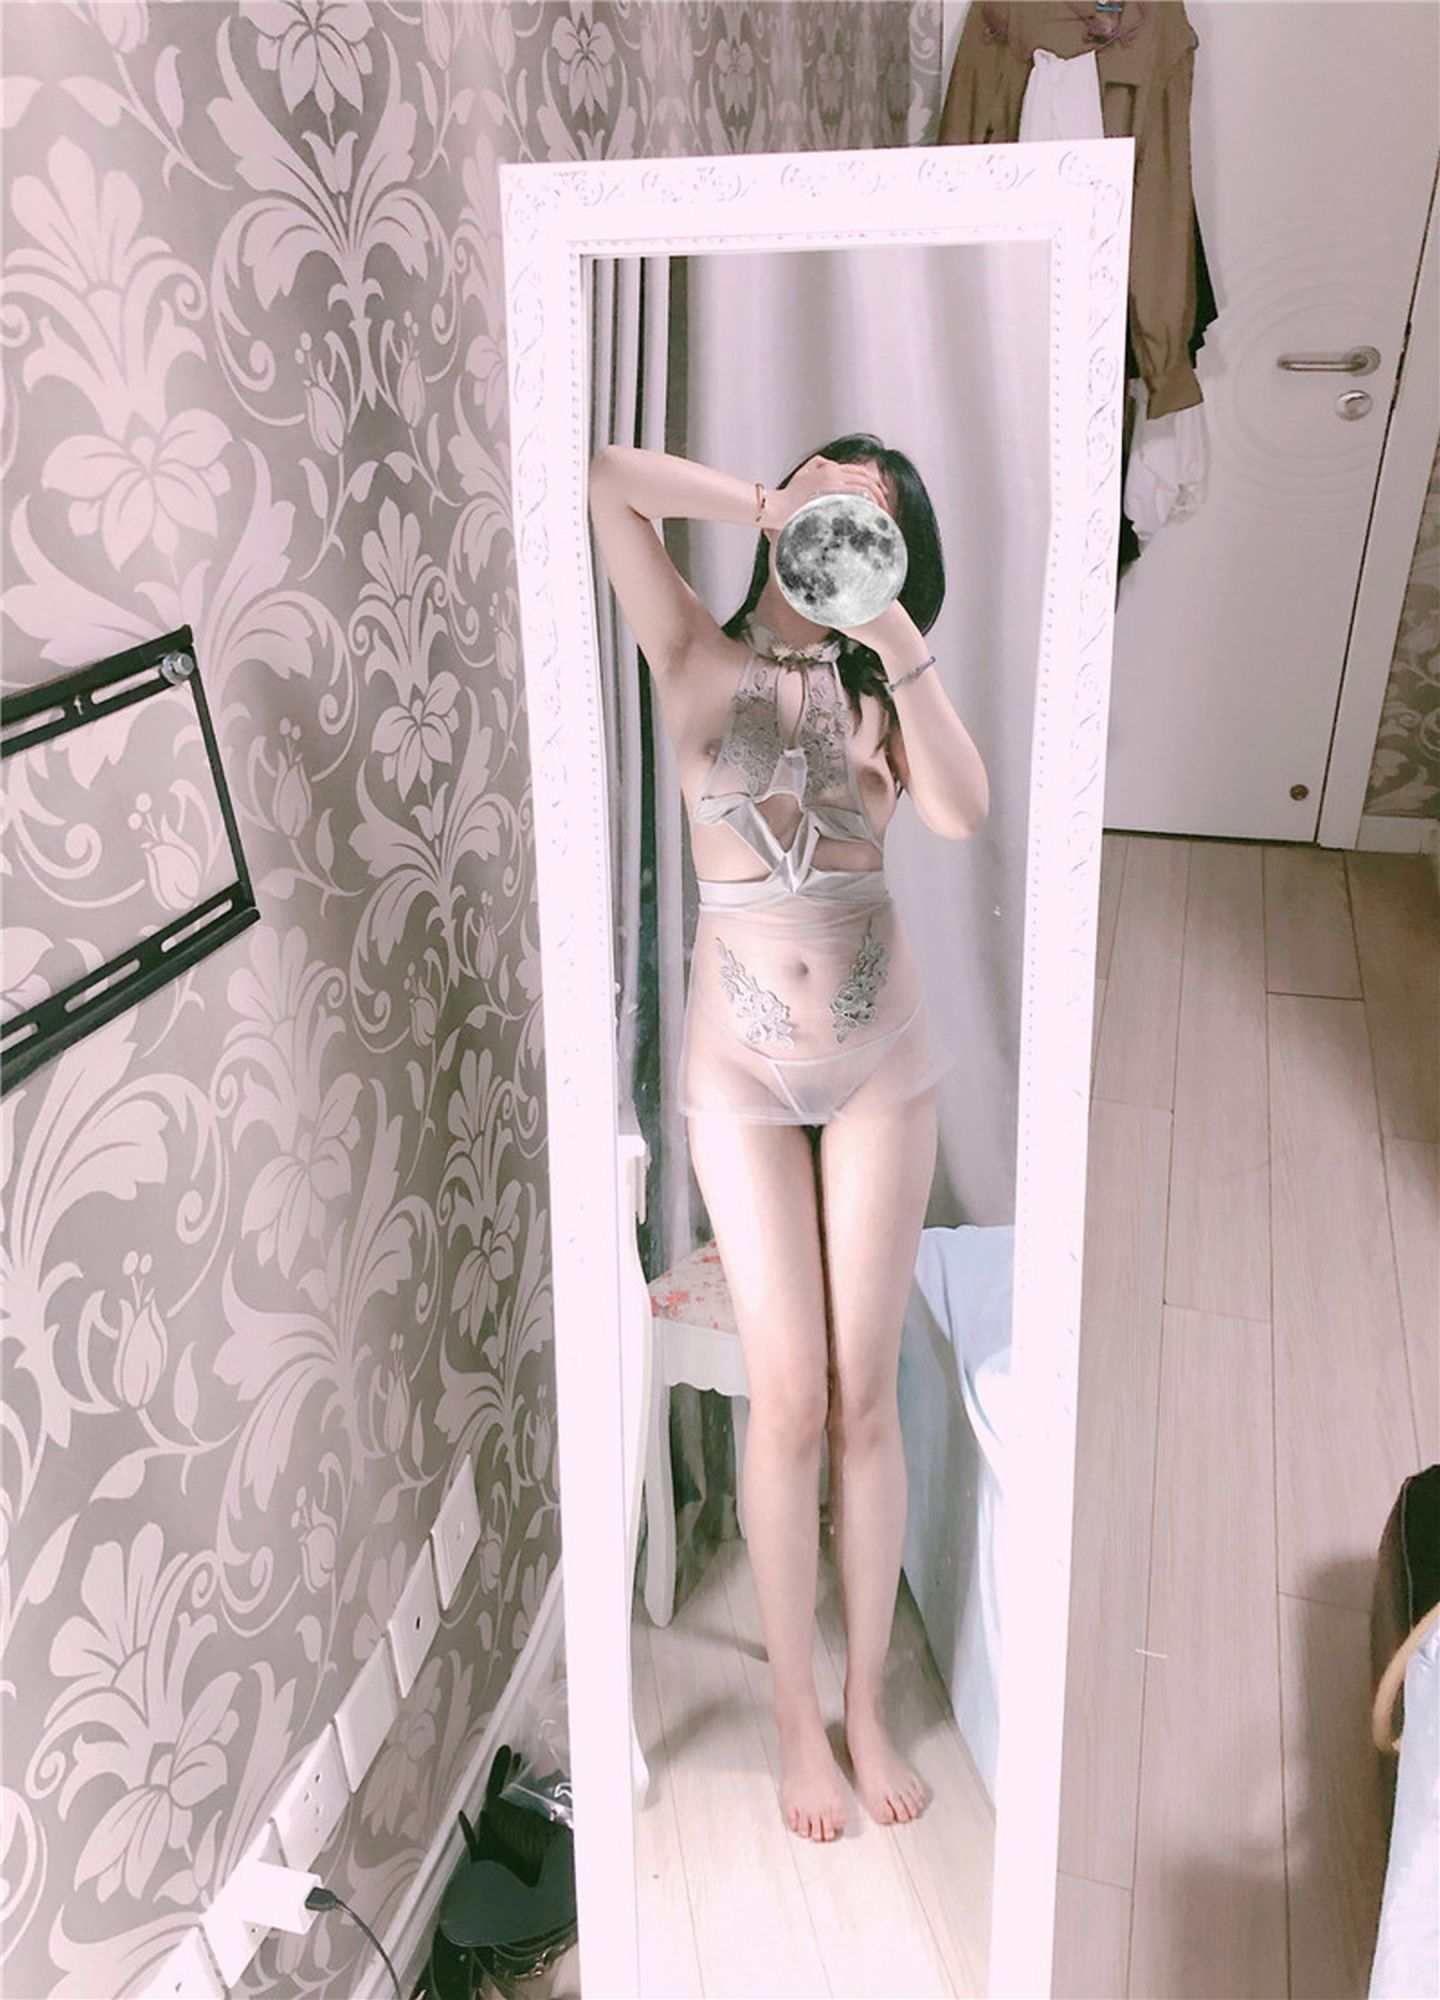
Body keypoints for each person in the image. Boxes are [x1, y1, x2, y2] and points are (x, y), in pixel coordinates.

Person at [589, 434, 989, 1842]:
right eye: (823, 488)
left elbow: (962, 811)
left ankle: (868, 1707)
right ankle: (793, 1720)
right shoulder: (691, 650)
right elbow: (603, 479)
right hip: (741, 1075)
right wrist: (765, 506)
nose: (836, 518)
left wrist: (892, 627)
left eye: (871, 512)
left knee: (863, 1396)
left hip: (881, 1064)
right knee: (791, 1398)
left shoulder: (884, 689)